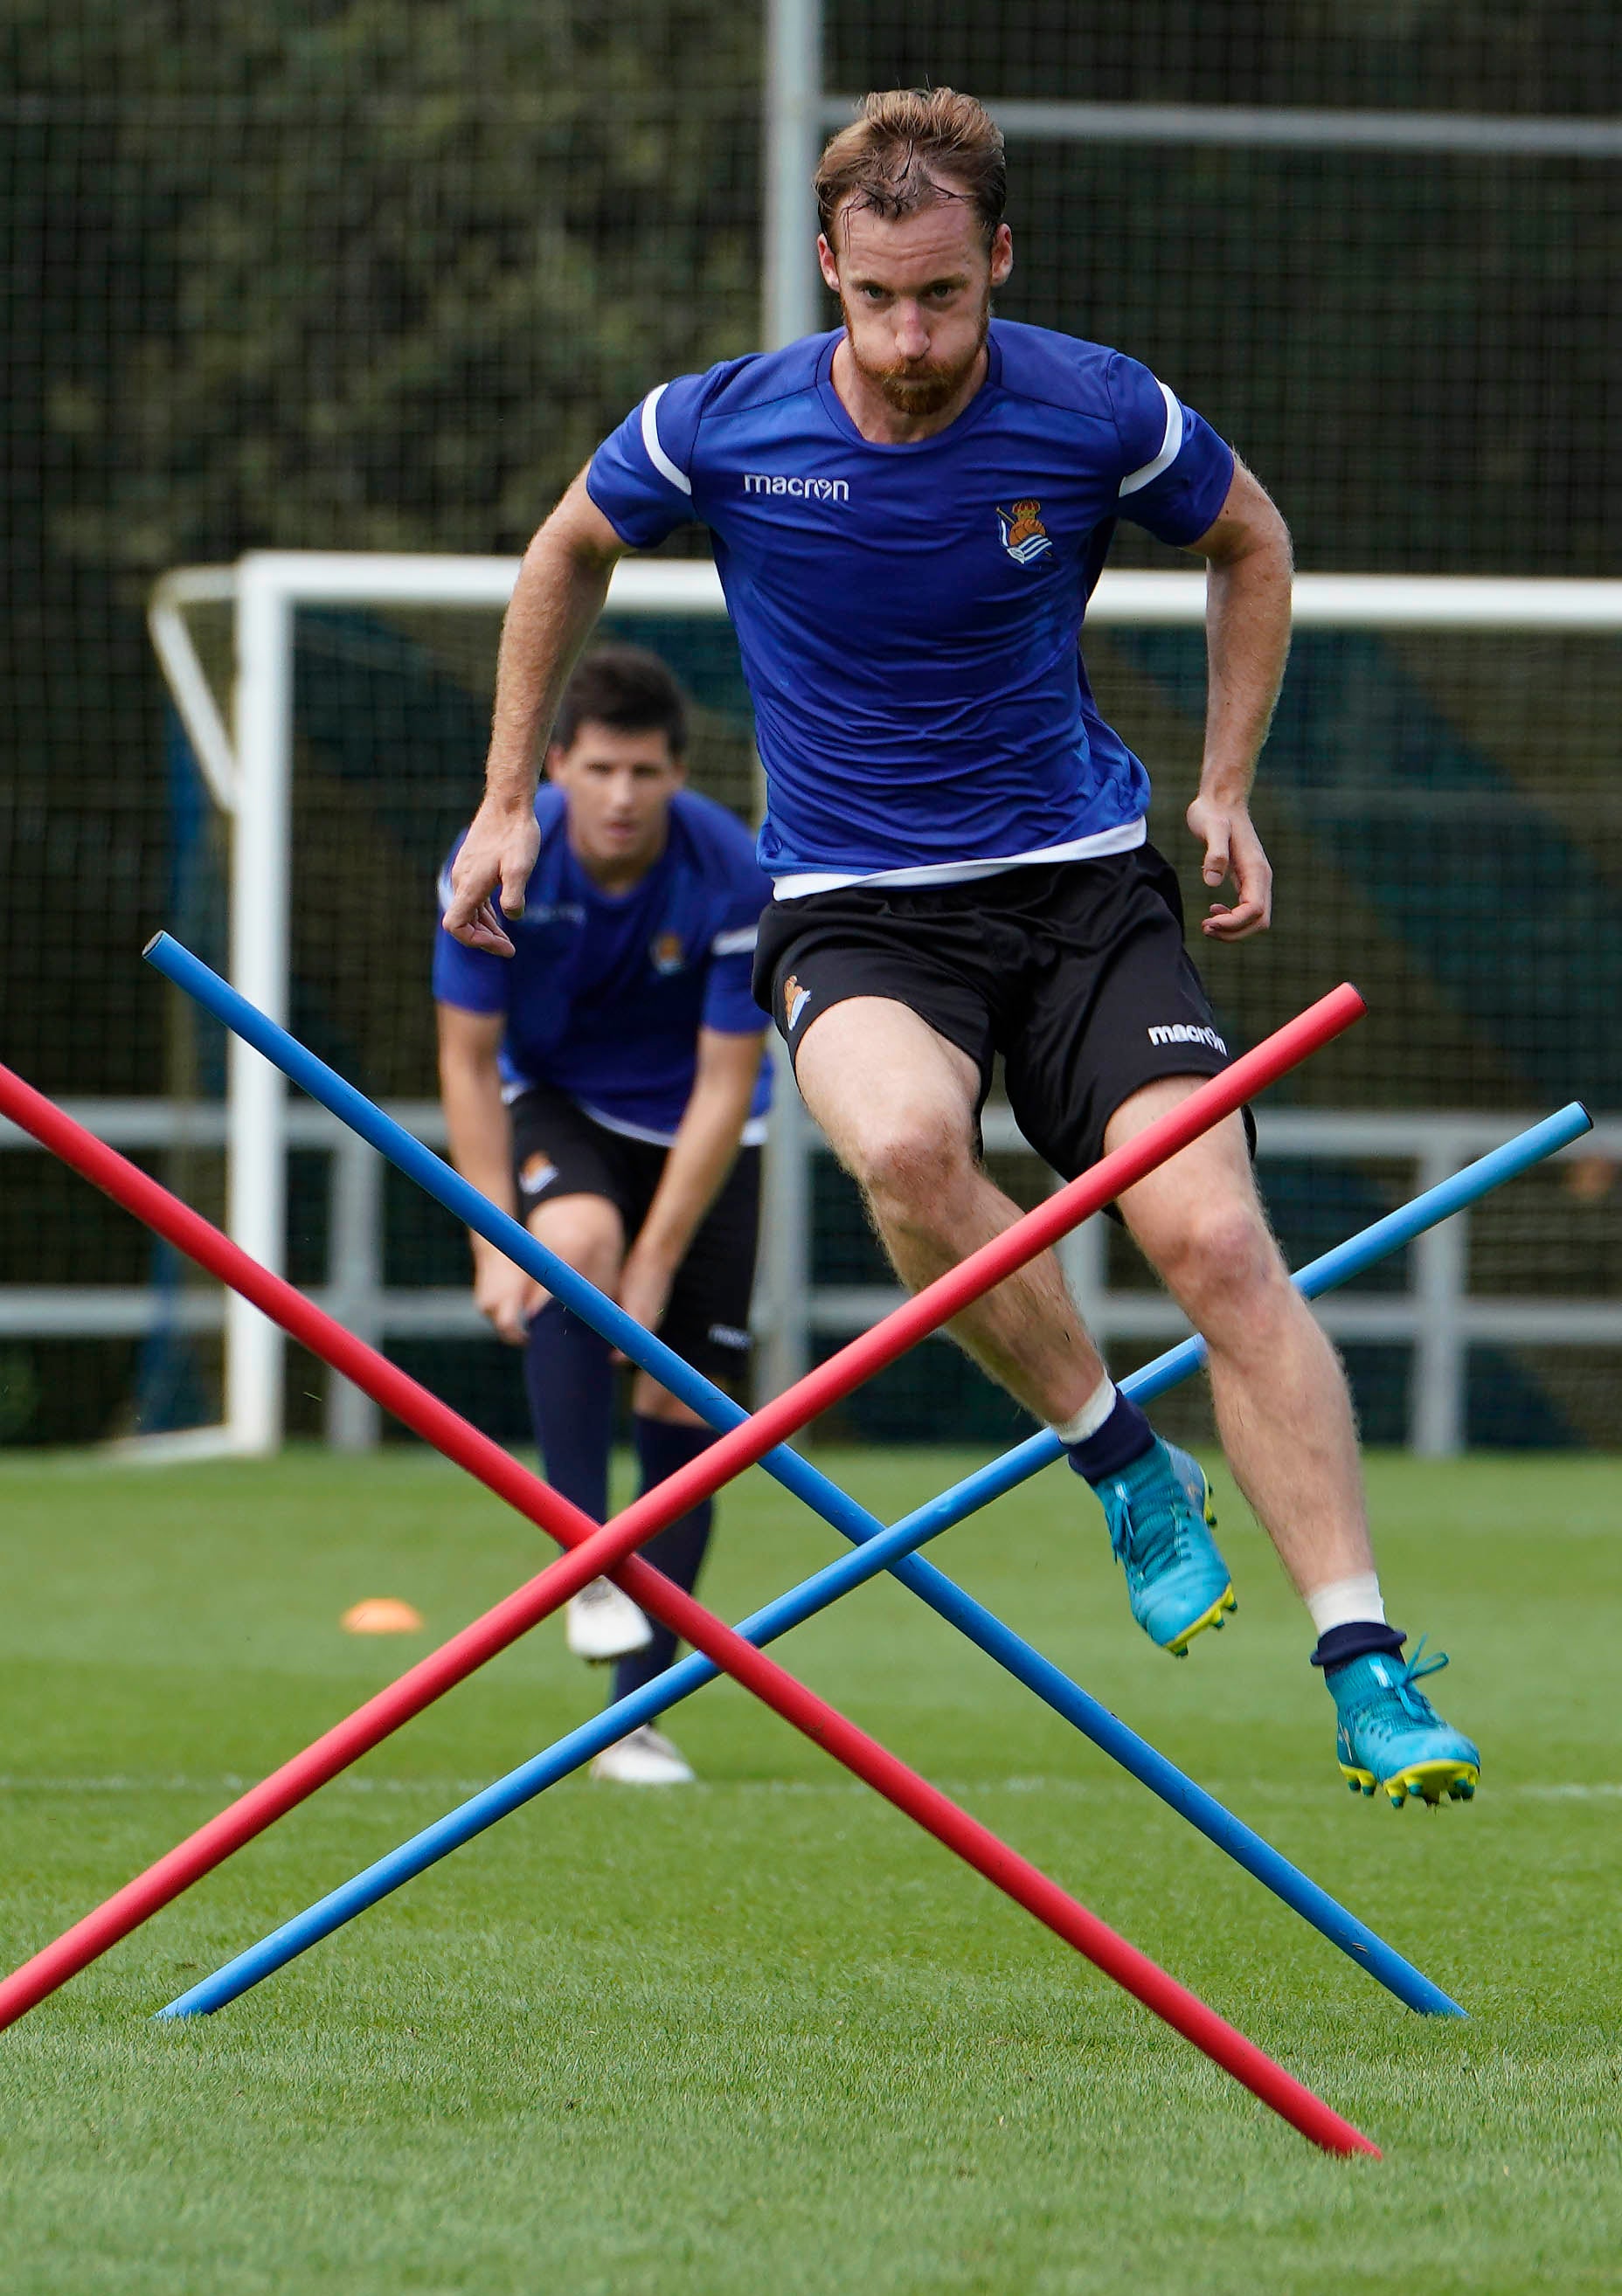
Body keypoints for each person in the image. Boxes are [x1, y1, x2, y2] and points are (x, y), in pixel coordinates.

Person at [441, 89, 1479, 1810]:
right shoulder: (717, 427)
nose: (910, 342)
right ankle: (1123, 1463)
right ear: (826, 269)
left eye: (942, 296)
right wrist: (502, 802)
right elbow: (567, 549)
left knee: (1215, 1238)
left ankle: (1366, 1666)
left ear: (999, 258)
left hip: (1082, 897)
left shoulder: (1097, 408)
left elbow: (1252, 539)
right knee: (910, 1152)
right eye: (877, 300)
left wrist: (1225, 783)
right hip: (856, 909)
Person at [434, 644, 771, 1786]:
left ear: (678, 774)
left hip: (701, 1136)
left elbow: (727, 1084)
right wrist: (493, 1239)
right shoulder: (496, 861)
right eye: (600, 769)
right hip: (561, 1105)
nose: (621, 795)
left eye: (645, 772)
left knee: (688, 1410)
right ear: (557, 766)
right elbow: (466, 1060)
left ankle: (634, 1717)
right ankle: (584, 1561)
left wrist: (661, 1260)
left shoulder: (731, 874)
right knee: (573, 1245)